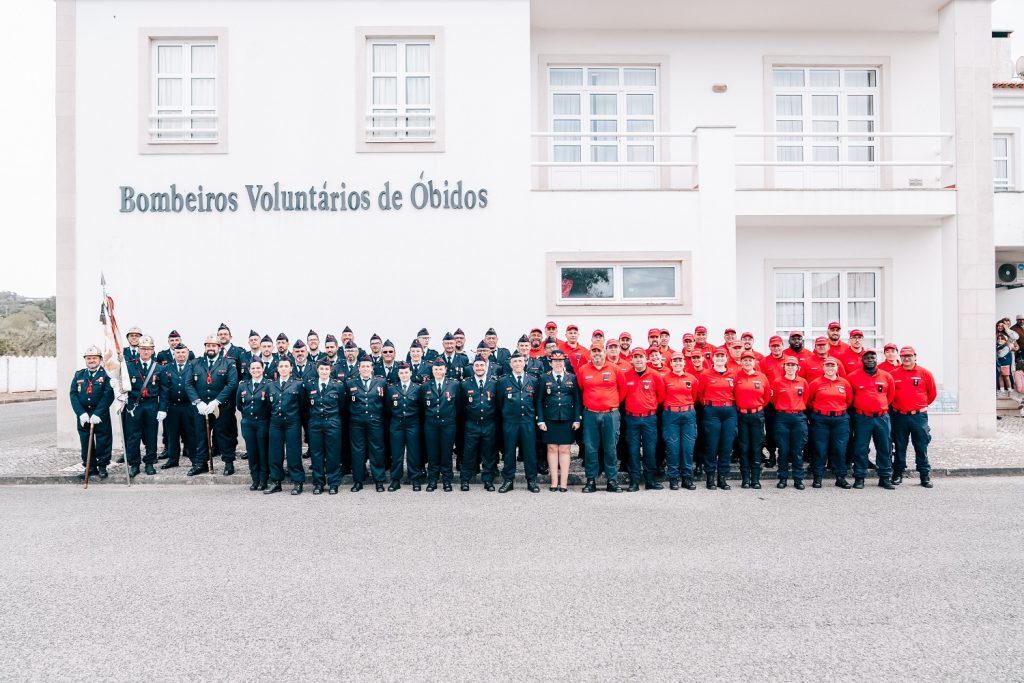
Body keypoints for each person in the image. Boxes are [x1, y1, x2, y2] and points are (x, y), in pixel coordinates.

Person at [185, 334, 239, 476]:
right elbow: (188, 384)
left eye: (213, 345)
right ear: (205, 347)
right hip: (201, 408)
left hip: (221, 407)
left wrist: (216, 401)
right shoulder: (195, 363)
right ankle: (201, 463)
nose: (211, 348)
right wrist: (198, 402)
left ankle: (228, 462)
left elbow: (232, 384)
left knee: (223, 434)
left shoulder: (228, 363)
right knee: (201, 435)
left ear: (219, 347)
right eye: (208, 345)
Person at [576, 343, 625, 493]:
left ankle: (612, 480)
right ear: (590, 353)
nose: (597, 353)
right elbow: (581, 389)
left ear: (604, 353)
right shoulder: (583, 370)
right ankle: (591, 480)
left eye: (600, 351)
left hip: (610, 414)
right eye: (594, 351)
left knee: (610, 448)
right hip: (590, 414)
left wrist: (611, 404)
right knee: (590, 448)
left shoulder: (614, 369)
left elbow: (622, 390)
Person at [847, 350, 897, 490]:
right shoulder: (853, 377)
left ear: (876, 359)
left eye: (873, 357)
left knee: (885, 447)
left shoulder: (887, 376)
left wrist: (880, 407)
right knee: (860, 448)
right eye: (867, 358)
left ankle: (885, 477)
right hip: (862, 418)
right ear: (862, 360)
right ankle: (860, 477)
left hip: (882, 418)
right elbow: (850, 398)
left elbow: (890, 396)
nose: (870, 360)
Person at [890, 346, 937, 488]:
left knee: (921, 445)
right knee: (899, 446)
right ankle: (898, 473)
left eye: (909, 355)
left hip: (918, 417)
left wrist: (919, 406)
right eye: (904, 356)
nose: (906, 358)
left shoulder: (925, 373)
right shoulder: (893, 374)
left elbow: (932, 393)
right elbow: (890, 394)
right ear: (900, 357)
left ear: (915, 356)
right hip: (899, 416)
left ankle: (924, 475)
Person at [537, 349, 581, 492]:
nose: (558, 363)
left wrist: (577, 419)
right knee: (551, 448)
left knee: (564, 449)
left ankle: (564, 483)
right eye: (555, 361)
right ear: (551, 362)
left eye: (560, 361)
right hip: (550, 418)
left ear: (564, 362)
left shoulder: (572, 378)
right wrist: (540, 420)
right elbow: (539, 401)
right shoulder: (544, 378)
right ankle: (554, 482)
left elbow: (577, 401)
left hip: (567, 418)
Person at [805, 358, 854, 489]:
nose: (830, 368)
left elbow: (848, 400)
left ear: (837, 368)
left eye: (833, 366)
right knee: (820, 449)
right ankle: (818, 477)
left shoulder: (844, 383)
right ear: (823, 367)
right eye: (827, 366)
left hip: (840, 420)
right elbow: (808, 400)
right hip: (821, 419)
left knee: (840, 449)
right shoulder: (816, 383)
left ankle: (840, 477)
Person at [622, 347, 665, 491]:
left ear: (645, 358)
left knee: (650, 449)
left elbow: (661, 396)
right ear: (632, 360)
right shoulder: (626, 375)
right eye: (635, 357)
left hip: (649, 418)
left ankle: (650, 480)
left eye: (641, 357)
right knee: (633, 450)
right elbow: (622, 395)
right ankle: (634, 481)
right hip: (632, 418)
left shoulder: (654, 375)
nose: (638, 359)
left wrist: (649, 406)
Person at [496, 351, 540, 493]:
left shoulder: (533, 380)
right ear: (510, 364)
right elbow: (499, 403)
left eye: (520, 361)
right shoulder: (503, 381)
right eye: (515, 361)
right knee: (509, 452)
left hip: (527, 422)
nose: (518, 364)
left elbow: (536, 401)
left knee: (529, 452)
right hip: (510, 422)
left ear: (525, 363)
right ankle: (508, 480)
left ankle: (531, 480)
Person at [70, 345, 115, 480]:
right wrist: (81, 413)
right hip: (84, 414)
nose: (91, 360)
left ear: (100, 359)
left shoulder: (106, 375)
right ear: (85, 360)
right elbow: (73, 395)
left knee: (103, 440)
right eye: (88, 358)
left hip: (100, 414)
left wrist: (98, 413)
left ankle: (102, 467)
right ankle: (90, 467)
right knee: (85, 441)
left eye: (94, 358)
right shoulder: (79, 374)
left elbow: (108, 394)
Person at [698, 348, 737, 490]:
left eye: (722, 356)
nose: (720, 358)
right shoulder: (705, 374)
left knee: (726, 445)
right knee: (712, 444)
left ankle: (722, 477)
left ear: (726, 358)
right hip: (712, 410)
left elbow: (736, 392)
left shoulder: (733, 374)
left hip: (729, 412)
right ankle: (710, 477)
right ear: (712, 358)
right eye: (717, 356)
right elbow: (700, 393)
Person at [347, 357, 388, 492]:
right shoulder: (350, 382)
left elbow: (385, 403)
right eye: (362, 366)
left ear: (372, 368)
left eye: (367, 366)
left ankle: (379, 480)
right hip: (356, 422)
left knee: (377, 450)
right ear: (359, 368)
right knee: (358, 451)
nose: (365, 369)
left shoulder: (381, 382)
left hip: (375, 421)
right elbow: (345, 403)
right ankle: (358, 481)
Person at [265, 357, 305, 495]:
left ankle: (297, 482)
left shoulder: (298, 384)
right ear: (277, 368)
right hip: (276, 422)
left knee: (294, 452)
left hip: (292, 422)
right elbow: (269, 405)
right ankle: (276, 482)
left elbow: (303, 404)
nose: (283, 368)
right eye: (281, 366)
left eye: (286, 366)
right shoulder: (270, 385)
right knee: (275, 453)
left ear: (291, 368)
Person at [733, 350, 772, 490]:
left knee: (756, 446)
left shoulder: (761, 377)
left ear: (754, 362)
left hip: (757, 415)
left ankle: (755, 479)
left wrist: (757, 407)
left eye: (750, 360)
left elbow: (767, 397)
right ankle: (745, 479)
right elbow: (733, 396)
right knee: (744, 447)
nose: (748, 362)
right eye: (745, 360)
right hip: (742, 415)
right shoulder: (736, 377)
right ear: (741, 362)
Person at [421, 358, 461, 491]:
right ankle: (432, 480)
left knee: (446, 453)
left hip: (448, 424)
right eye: (435, 369)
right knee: (432, 454)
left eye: (440, 369)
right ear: (432, 371)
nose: (438, 371)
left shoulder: (454, 385)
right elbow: (422, 407)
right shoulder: (426, 386)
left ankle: (447, 480)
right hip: (431, 424)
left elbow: (459, 405)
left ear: (445, 370)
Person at [460, 357, 500, 490]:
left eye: (482, 365)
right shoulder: (465, 384)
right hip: (472, 424)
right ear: (473, 368)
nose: (479, 368)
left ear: (486, 367)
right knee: (468, 454)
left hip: (489, 424)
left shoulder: (494, 383)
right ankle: (465, 480)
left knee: (489, 454)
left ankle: (488, 480)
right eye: (477, 366)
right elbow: (461, 406)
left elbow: (498, 404)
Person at [124, 335, 161, 477]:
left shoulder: (158, 368)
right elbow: (122, 384)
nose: (145, 351)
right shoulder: (129, 366)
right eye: (143, 349)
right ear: (138, 349)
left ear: (152, 351)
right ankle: (134, 464)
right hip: (134, 404)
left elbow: (163, 391)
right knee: (133, 435)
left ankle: (150, 463)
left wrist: (162, 408)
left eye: (148, 349)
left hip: (152, 404)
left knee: (151, 435)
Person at [661, 351, 699, 490]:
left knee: (688, 448)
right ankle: (673, 478)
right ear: (670, 363)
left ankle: (687, 478)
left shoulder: (692, 378)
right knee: (673, 448)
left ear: (684, 362)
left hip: (688, 415)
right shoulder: (664, 378)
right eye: (675, 360)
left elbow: (695, 396)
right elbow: (661, 396)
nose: (678, 363)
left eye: (680, 360)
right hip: (671, 415)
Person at [308, 357, 344, 495]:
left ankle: (333, 483)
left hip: (332, 422)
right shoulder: (310, 384)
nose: (324, 371)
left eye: (326, 369)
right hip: (315, 422)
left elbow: (343, 405)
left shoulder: (338, 385)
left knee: (333, 454)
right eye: (321, 369)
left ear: (330, 370)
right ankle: (318, 483)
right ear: (318, 370)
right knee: (316, 454)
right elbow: (306, 405)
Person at [157, 342, 196, 470]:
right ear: (174, 354)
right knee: (172, 435)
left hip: (189, 407)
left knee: (191, 434)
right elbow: (164, 390)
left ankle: (195, 460)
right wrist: (162, 409)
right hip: (172, 407)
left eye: (183, 352)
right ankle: (173, 459)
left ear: (188, 353)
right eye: (178, 353)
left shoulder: (193, 367)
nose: (180, 355)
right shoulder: (166, 368)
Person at [771, 357, 808, 489]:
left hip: (798, 417)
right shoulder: (777, 382)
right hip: (783, 418)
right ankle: (782, 478)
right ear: (784, 366)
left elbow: (806, 398)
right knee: (783, 450)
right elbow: (774, 399)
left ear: (798, 367)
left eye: (793, 365)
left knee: (797, 450)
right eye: (788, 365)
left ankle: (798, 479)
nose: (791, 367)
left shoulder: (803, 382)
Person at [387, 363, 423, 490]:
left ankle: (415, 479)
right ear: (398, 374)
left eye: (406, 372)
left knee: (413, 452)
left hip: (413, 423)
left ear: (411, 373)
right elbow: (388, 408)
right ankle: (395, 480)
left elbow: (421, 407)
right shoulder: (391, 389)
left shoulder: (418, 388)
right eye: (401, 373)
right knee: (397, 453)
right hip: (397, 424)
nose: (404, 375)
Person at [237, 358, 271, 490]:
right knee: (251, 452)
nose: (256, 370)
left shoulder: (268, 384)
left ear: (263, 369)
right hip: (248, 423)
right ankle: (255, 479)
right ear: (249, 370)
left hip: (263, 422)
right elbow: (239, 405)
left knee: (263, 451)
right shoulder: (243, 385)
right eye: (253, 368)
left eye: (258, 368)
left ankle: (263, 479)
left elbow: (270, 405)